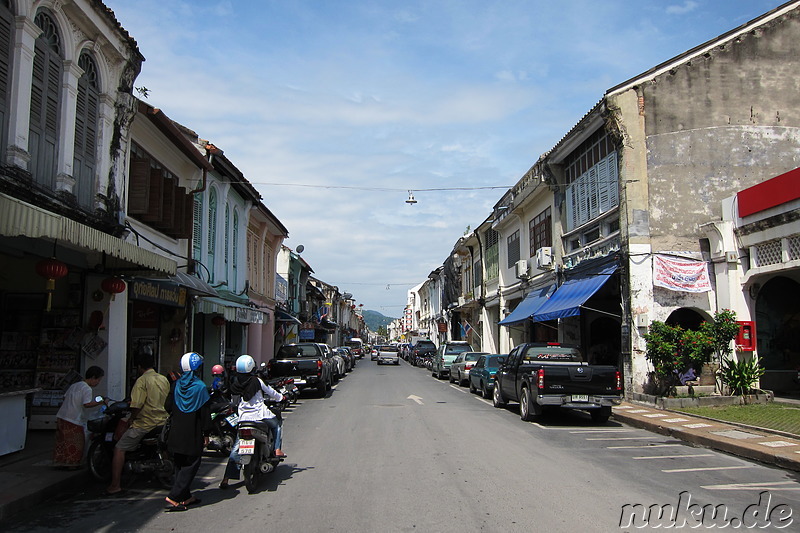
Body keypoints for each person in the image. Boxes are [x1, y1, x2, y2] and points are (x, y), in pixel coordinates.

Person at [105, 351, 170, 496]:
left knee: (119, 449)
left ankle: (115, 485)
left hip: (146, 423)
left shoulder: (142, 381)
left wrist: (130, 420)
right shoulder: (162, 379)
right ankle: (165, 471)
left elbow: (137, 405)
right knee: (163, 446)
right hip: (162, 421)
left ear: (139, 367)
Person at [219, 354, 285, 489]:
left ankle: (226, 479)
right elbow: (271, 392)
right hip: (260, 416)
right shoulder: (257, 381)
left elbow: (233, 400)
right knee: (276, 426)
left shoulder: (235, 383)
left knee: (236, 449)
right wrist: (281, 397)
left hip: (243, 418)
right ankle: (277, 450)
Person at [163, 352, 212, 512]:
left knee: (180, 465)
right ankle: (175, 496)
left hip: (176, 433)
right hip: (193, 433)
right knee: (191, 464)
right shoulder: (200, 388)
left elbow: (167, 406)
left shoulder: (176, 385)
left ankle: (186, 496)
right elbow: (205, 415)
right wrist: (206, 434)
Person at [53, 366, 106, 469]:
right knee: (76, 441)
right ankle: (72, 463)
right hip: (73, 418)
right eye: (98, 380)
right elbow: (87, 404)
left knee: (62, 440)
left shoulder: (74, 385)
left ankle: (60, 461)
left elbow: (65, 398)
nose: (98, 382)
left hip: (62, 416)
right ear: (93, 378)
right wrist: (100, 402)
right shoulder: (87, 388)